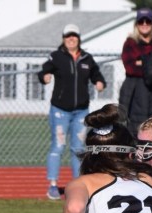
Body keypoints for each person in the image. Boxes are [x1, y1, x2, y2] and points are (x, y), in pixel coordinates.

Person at [38, 24, 105, 201]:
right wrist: (45, 76)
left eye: (74, 36)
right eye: (68, 36)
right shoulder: (56, 56)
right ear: (63, 38)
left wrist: (100, 82)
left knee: (79, 148)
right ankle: (53, 185)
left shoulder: (87, 58)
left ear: (79, 38)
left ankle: (78, 184)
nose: (71, 39)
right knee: (58, 146)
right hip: (60, 110)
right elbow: (44, 70)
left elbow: (96, 74)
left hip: (81, 112)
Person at [118, 8, 152, 136]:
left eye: (148, 21)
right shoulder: (130, 43)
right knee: (137, 131)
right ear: (136, 24)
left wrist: (142, 62)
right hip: (137, 93)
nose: (144, 24)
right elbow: (130, 67)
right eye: (141, 21)